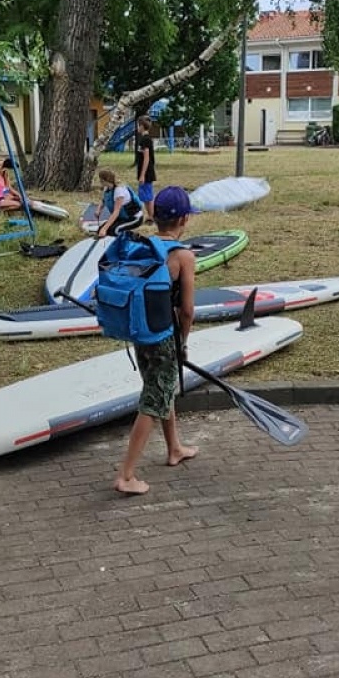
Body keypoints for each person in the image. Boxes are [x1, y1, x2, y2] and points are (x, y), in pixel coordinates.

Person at [113, 185, 199, 496]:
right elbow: (187, 310)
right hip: (165, 337)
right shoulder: (183, 256)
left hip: (141, 333)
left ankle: (174, 448)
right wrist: (183, 342)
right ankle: (126, 474)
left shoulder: (143, 246)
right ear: (185, 219)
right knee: (153, 401)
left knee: (161, 389)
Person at [94, 168, 143, 238]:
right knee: (99, 230)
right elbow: (103, 200)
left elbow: (116, 212)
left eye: (101, 180)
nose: (100, 181)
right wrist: (98, 210)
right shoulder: (107, 188)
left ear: (105, 180)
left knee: (114, 231)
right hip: (122, 217)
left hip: (134, 218)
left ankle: (135, 237)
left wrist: (105, 228)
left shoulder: (119, 191)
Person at [135, 114, 156, 221]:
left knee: (148, 195)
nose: (137, 127)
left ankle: (152, 217)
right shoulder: (143, 139)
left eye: (138, 125)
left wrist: (143, 175)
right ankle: (150, 215)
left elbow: (146, 158)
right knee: (145, 196)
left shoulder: (146, 140)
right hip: (143, 171)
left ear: (142, 126)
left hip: (147, 172)